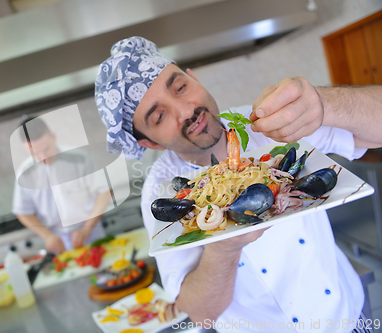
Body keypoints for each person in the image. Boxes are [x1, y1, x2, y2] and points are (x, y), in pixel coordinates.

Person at [94, 37, 382, 332]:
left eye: (180, 87)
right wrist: (224, 249)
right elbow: (200, 314)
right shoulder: (160, 189)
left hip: (346, 319)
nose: (185, 110)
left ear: (193, 77)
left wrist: (325, 103)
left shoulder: (268, 122)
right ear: (148, 142)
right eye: (159, 115)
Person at [12, 116, 111, 253]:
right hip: (57, 239)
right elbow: (23, 212)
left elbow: (105, 193)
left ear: (53, 137)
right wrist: (47, 236)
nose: (43, 157)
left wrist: (87, 228)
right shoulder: (25, 173)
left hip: (91, 230)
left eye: (46, 149)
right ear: (25, 148)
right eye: (35, 153)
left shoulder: (80, 158)